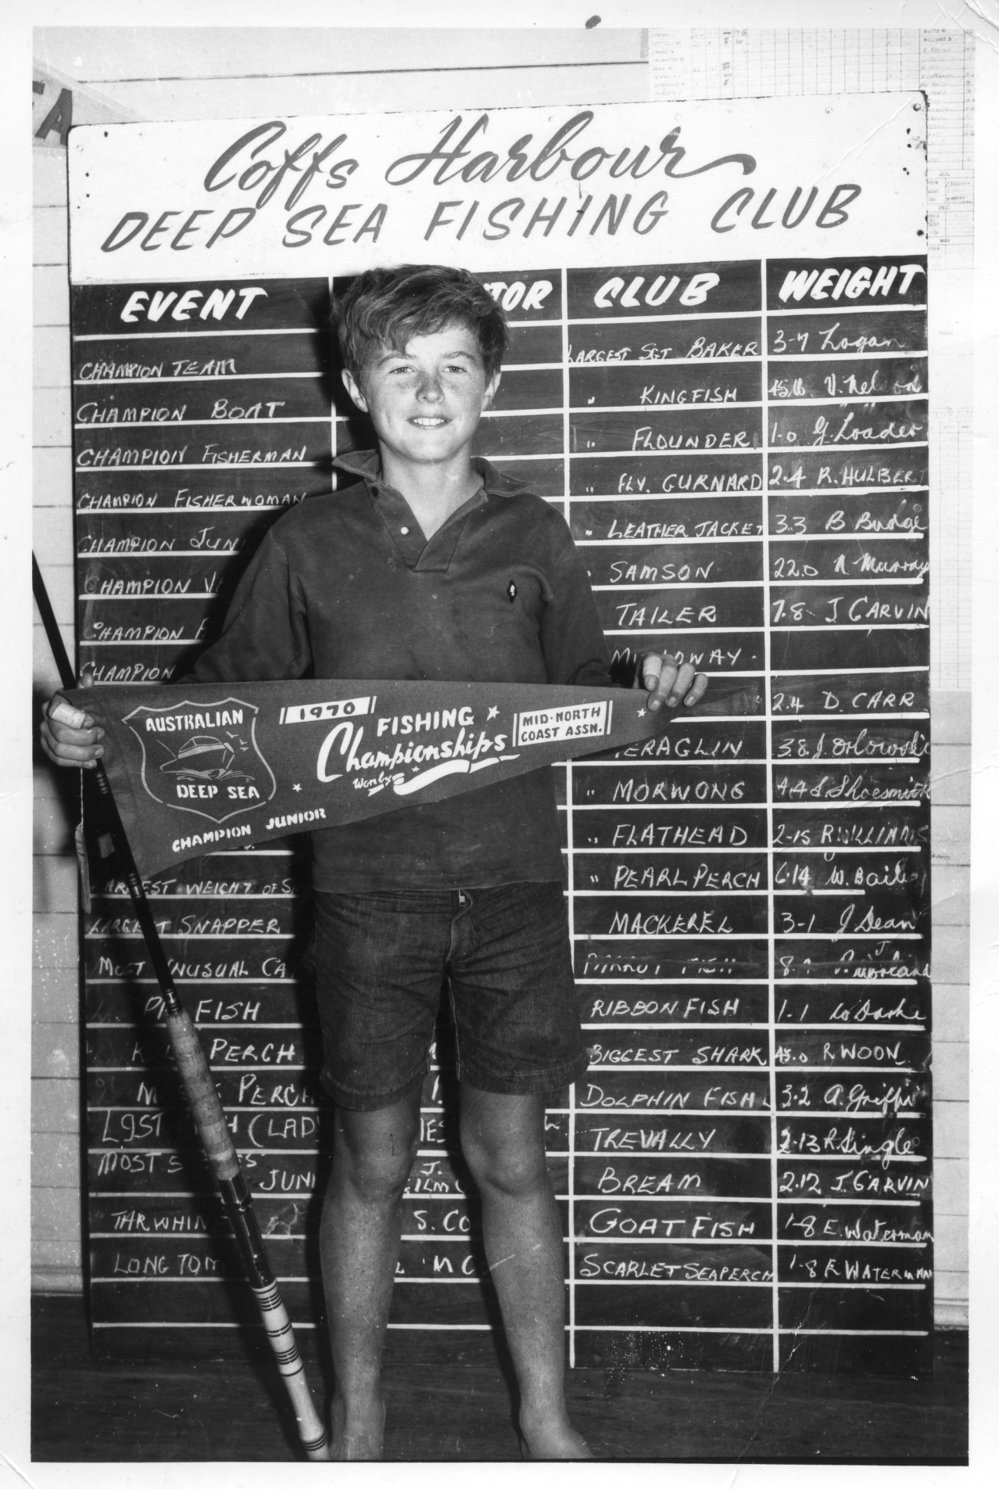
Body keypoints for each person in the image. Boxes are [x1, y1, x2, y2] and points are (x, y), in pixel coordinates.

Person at [41, 264, 708, 1460]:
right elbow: (213, 702)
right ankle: (359, 1420)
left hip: (512, 895)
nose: (429, 387)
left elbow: (588, 695)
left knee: (511, 1156)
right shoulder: (306, 536)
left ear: (492, 382)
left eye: (455, 363)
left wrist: (649, 696)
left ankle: (546, 1417)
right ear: (355, 388)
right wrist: (100, 731)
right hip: (365, 899)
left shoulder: (535, 533)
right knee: (372, 1161)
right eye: (400, 365)